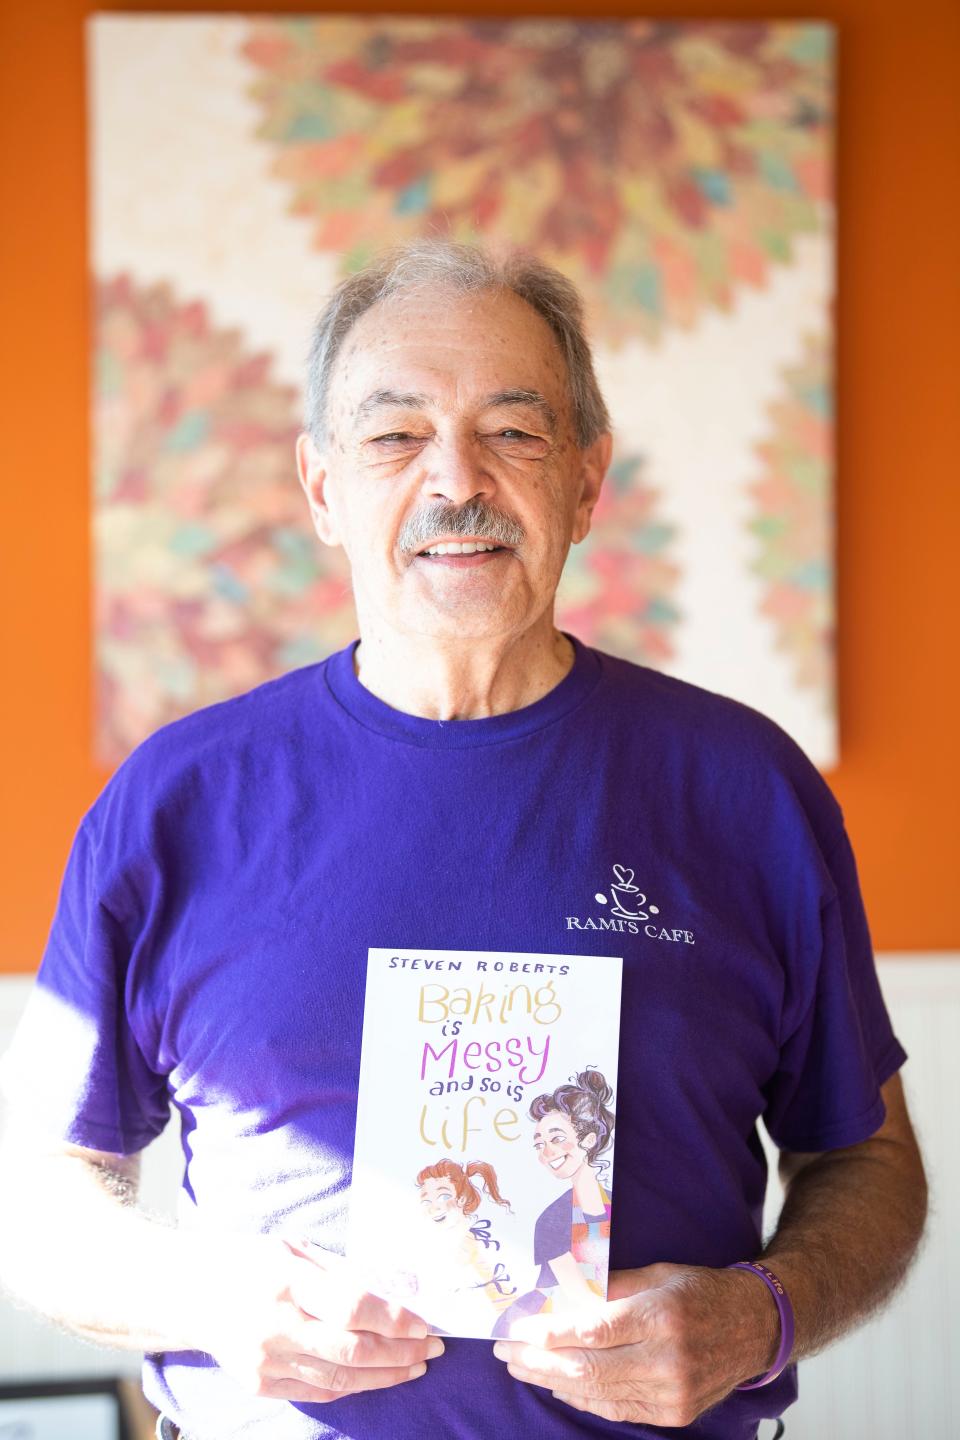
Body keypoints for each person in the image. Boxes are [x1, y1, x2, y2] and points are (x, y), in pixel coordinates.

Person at [0, 239, 926, 1440]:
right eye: (394, 435)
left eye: (516, 431)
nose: (458, 480)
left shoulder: (747, 789)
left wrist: (764, 1316)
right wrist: (211, 1298)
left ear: (588, 481)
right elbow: (37, 1198)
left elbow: (870, 1165)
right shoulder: (175, 800)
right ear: (323, 486)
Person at [494, 1069, 615, 1337]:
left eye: (557, 1139)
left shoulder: (613, 1204)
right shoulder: (553, 1219)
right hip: (545, 1319)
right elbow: (579, 1296)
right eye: (540, 1144)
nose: (547, 1152)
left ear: (589, 1140)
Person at [413, 1159, 517, 1335]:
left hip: (495, 1326)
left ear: (461, 1199)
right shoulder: (438, 1243)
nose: (434, 1207)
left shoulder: (478, 1242)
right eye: (426, 1201)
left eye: (444, 1196)